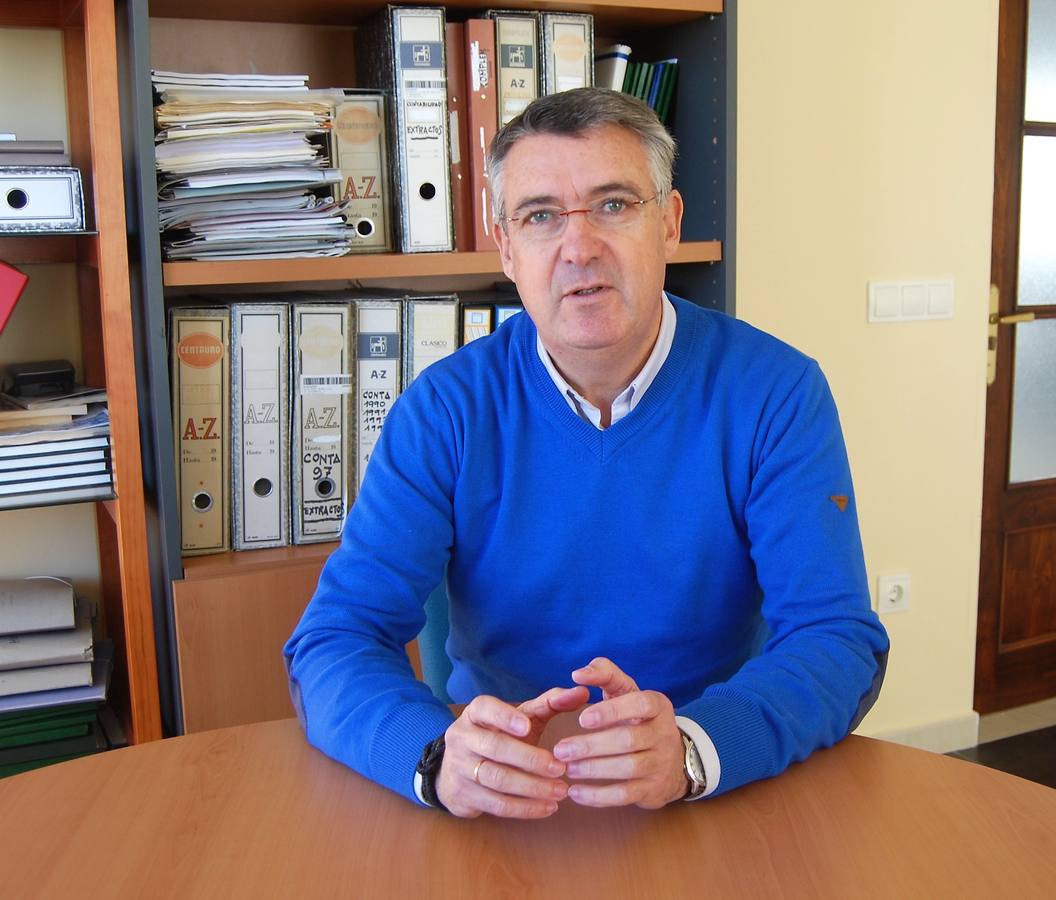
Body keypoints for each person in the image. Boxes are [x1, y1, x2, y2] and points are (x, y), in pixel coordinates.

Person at [284, 87, 889, 819]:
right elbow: (335, 638)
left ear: (668, 223)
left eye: (613, 205)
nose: (579, 248)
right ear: (507, 247)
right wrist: (434, 756)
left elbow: (835, 637)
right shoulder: (445, 410)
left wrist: (695, 746)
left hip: (704, 782)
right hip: (500, 793)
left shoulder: (775, 392)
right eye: (540, 216)